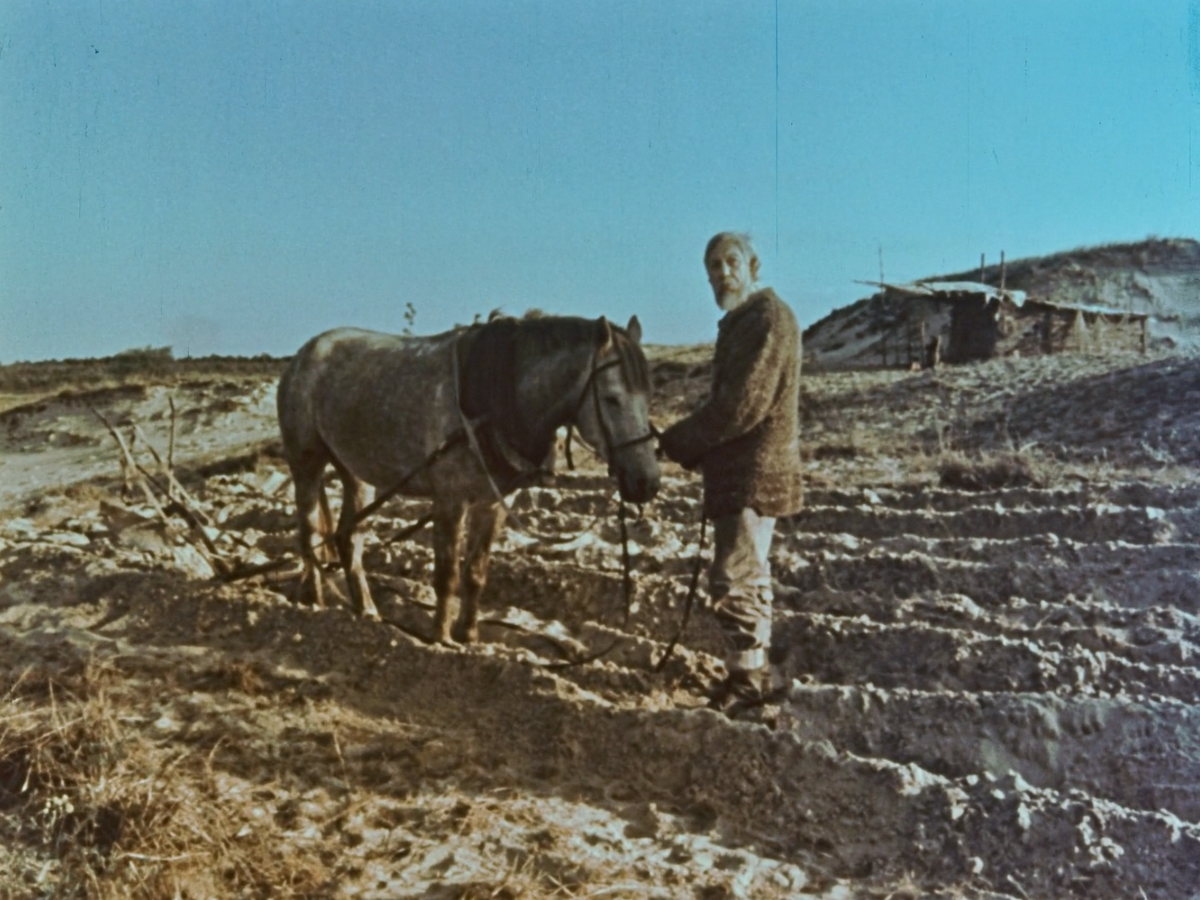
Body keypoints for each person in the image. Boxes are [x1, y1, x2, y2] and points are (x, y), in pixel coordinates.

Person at [658, 232, 804, 711]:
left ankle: (749, 686)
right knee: (743, 571)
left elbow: (742, 406)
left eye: (731, 262)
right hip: (739, 471)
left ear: (753, 265)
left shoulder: (767, 318)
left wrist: (679, 440)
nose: (723, 273)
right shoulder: (744, 321)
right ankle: (749, 676)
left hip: (754, 471)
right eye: (714, 265)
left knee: (735, 574)